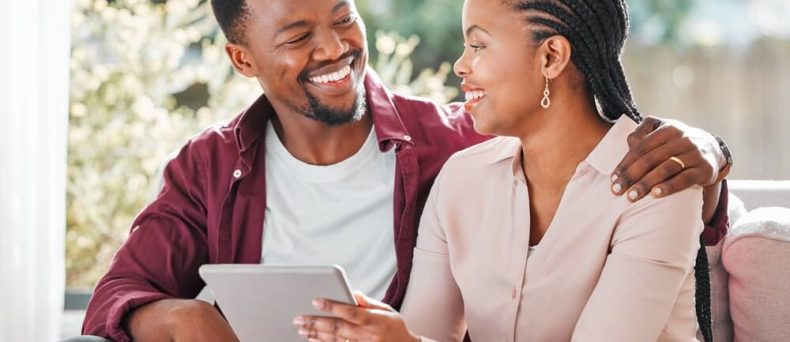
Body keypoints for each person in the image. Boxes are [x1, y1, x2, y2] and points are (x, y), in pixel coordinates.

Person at [81, 0, 732, 341]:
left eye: (344, 18)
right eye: (296, 37)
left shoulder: (449, 143)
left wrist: (710, 153)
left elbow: (591, 145)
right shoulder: (210, 166)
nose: (334, 48)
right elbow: (116, 295)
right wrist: (171, 318)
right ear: (242, 60)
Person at [294, 0, 730, 341]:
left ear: (551, 57)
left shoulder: (652, 181)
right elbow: (426, 332)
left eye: (478, 45)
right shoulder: (461, 180)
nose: (460, 66)